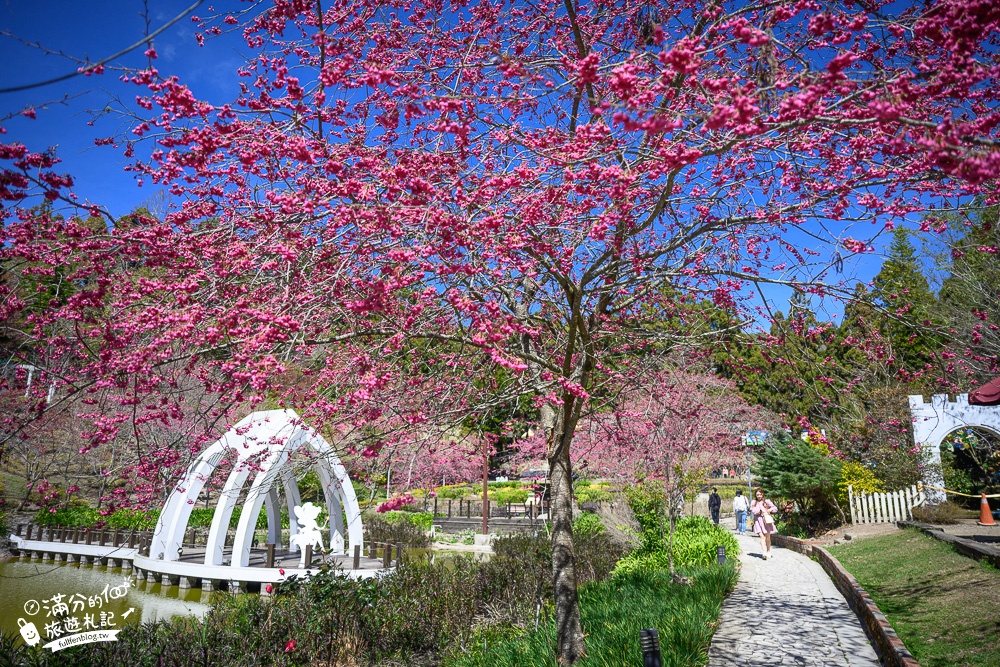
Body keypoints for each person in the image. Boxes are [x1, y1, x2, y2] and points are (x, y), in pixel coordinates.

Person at [750, 488, 779, 559]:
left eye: (760, 494)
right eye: (757, 495)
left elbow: (775, 508)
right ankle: (764, 552)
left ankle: (769, 551)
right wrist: (760, 510)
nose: (759, 496)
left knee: (767, 537)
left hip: (766, 521)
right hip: (758, 521)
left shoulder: (767, 501)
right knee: (762, 536)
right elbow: (753, 511)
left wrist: (770, 509)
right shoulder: (753, 502)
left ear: (762, 494)